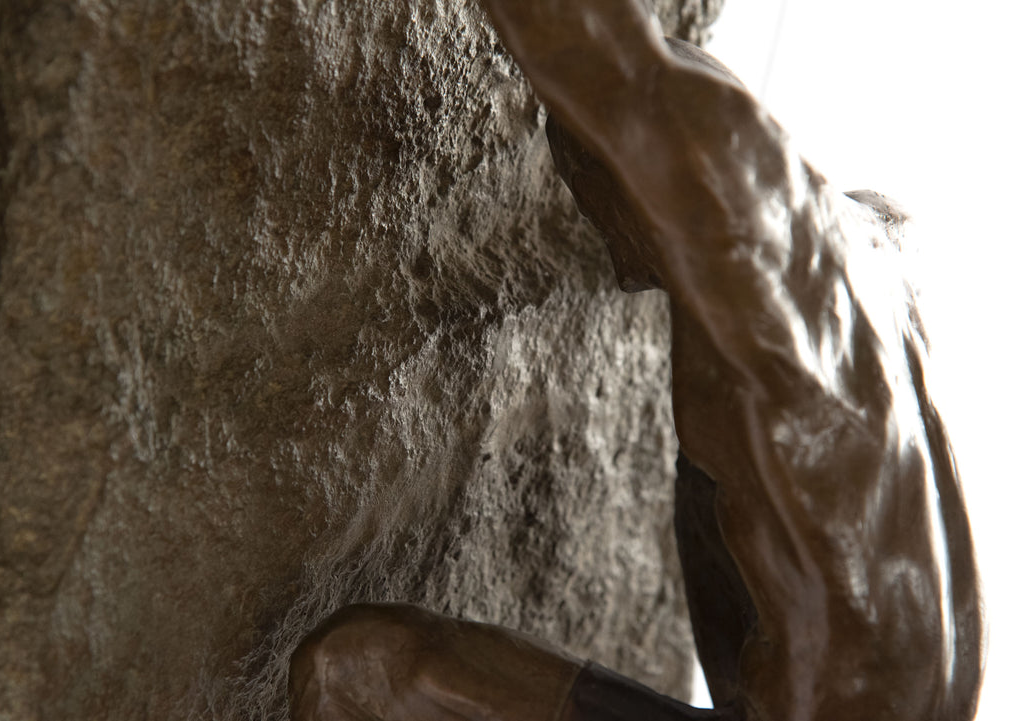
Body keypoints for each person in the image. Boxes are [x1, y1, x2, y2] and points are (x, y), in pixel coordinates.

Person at [287, 3, 984, 720]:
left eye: (594, 197)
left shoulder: (743, 226)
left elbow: (602, 55)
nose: (621, 269)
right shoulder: (864, 267)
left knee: (355, 673)